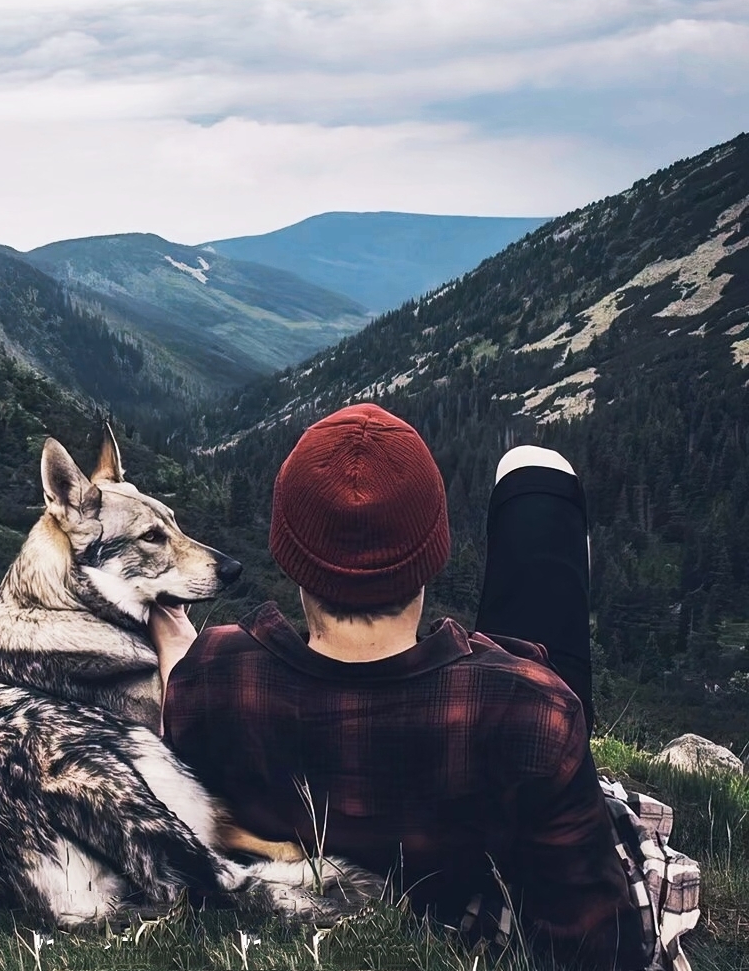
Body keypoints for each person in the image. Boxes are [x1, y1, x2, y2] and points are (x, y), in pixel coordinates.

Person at [150, 403, 643, 968]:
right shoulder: (537, 707)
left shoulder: (212, 674)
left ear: (291, 555)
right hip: (490, 808)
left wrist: (180, 663)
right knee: (535, 472)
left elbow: (187, 722)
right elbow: (595, 946)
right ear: (432, 552)